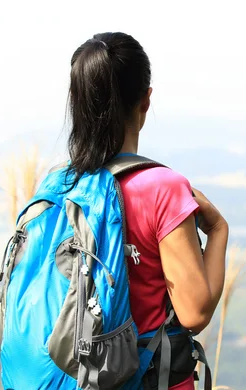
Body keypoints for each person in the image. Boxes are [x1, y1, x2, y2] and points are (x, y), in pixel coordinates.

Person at [67, 32, 229, 389]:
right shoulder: (161, 188)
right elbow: (194, 312)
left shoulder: (62, 186)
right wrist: (218, 231)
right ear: (146, 100)